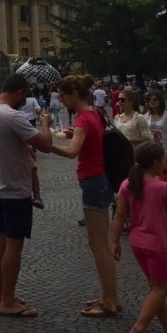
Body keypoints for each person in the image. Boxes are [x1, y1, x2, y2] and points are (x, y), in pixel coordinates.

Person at [0, 73, 52, 318]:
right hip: (15, 190)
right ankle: (9, 301)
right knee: (14, 245)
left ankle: (1, 295)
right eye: (26, 95)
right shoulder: (13, 116)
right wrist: (45, 123)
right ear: (20, 92)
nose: (25, 100)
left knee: (0, 241)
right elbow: (45, 144)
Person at [50, 74, 122, 318]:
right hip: (102, 179)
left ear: (74, 94)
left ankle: (110, 302)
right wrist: (74, 134)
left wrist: (47, 145)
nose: (61, 101)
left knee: (98, 244)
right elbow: (90, 138)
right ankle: (110, 295)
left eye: (63, 96)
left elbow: (72, 153)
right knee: (100, 242)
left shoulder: (83, 118)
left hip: (93, 180)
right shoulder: (95, 113)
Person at [111, 142, 167, 333]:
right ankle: (137, 330)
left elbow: (119, 215)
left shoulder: (127, 184)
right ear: (155, 162)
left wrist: (115, 241)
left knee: (155, 289)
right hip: (158, 244)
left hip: (137, 243)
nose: (164, 165)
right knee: (160, 289)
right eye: (162, 161)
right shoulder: (162, 188)